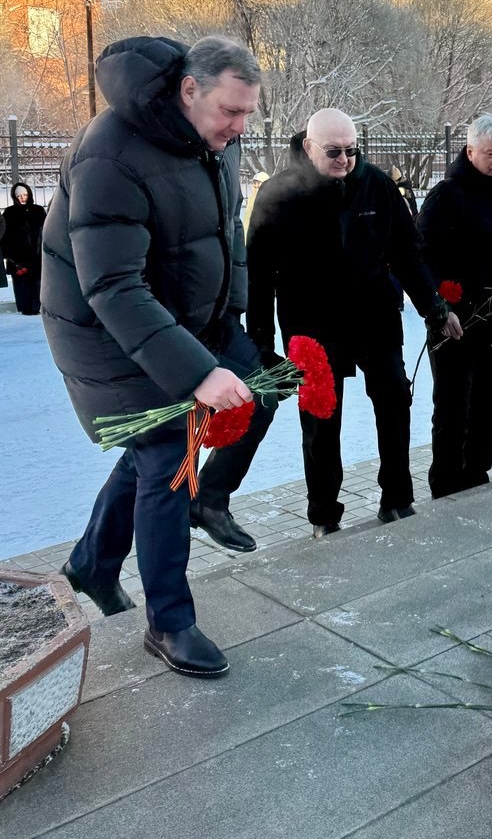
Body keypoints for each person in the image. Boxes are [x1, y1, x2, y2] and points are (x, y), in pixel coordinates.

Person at [41, 34, 264, 679]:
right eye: (231, 112)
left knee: (246, 401)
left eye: (249, 112)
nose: (241, 127)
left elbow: (225, 230)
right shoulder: (111, 153)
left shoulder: (212, 136)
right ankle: (169, 621)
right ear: (188, 90)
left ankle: (91, 562)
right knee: (171, 457)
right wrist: (198, 372)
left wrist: (231, 319)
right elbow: (111, 285)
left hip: (184, 319)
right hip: (104, 329)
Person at [193, 108, 461, 542]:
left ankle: (397, 497)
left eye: (352, 151)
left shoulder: (375, 185)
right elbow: (259, 276)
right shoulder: (280, 194)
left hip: (375, 315)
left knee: (394, 398)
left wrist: (433, 307)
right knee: (321, 419)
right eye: (334, 152)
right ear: (309, 147)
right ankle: (323, 513)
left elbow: (407, 254)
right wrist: (261, 342)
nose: (344, 161)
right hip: (312, 325)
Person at [417, 112, 492, 499]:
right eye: (491, 153)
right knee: (453, 408)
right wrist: (440, 309)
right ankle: (447, 486)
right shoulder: (447, 194)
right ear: (470, 151)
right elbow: (420, 258)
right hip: (453, 322)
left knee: (487, 404)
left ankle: (477, 478)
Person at [1, 183, 46, 314]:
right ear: (14, 197)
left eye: (25, 195)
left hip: (37, 255)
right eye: (19, 195)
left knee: (38, 283)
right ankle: (25, 308)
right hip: (18, 258)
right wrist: (10, 254)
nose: (22, 198)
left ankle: (37, 306)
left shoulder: (38, 211)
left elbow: (46, 230)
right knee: (22, 285)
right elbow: (5, 236)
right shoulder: (9, 213)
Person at [242, 170, 269, 239]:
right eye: (255, 183)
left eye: (259, 183)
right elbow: (247, 219)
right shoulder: (251, 198)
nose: (256, 186)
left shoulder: (270, 199)